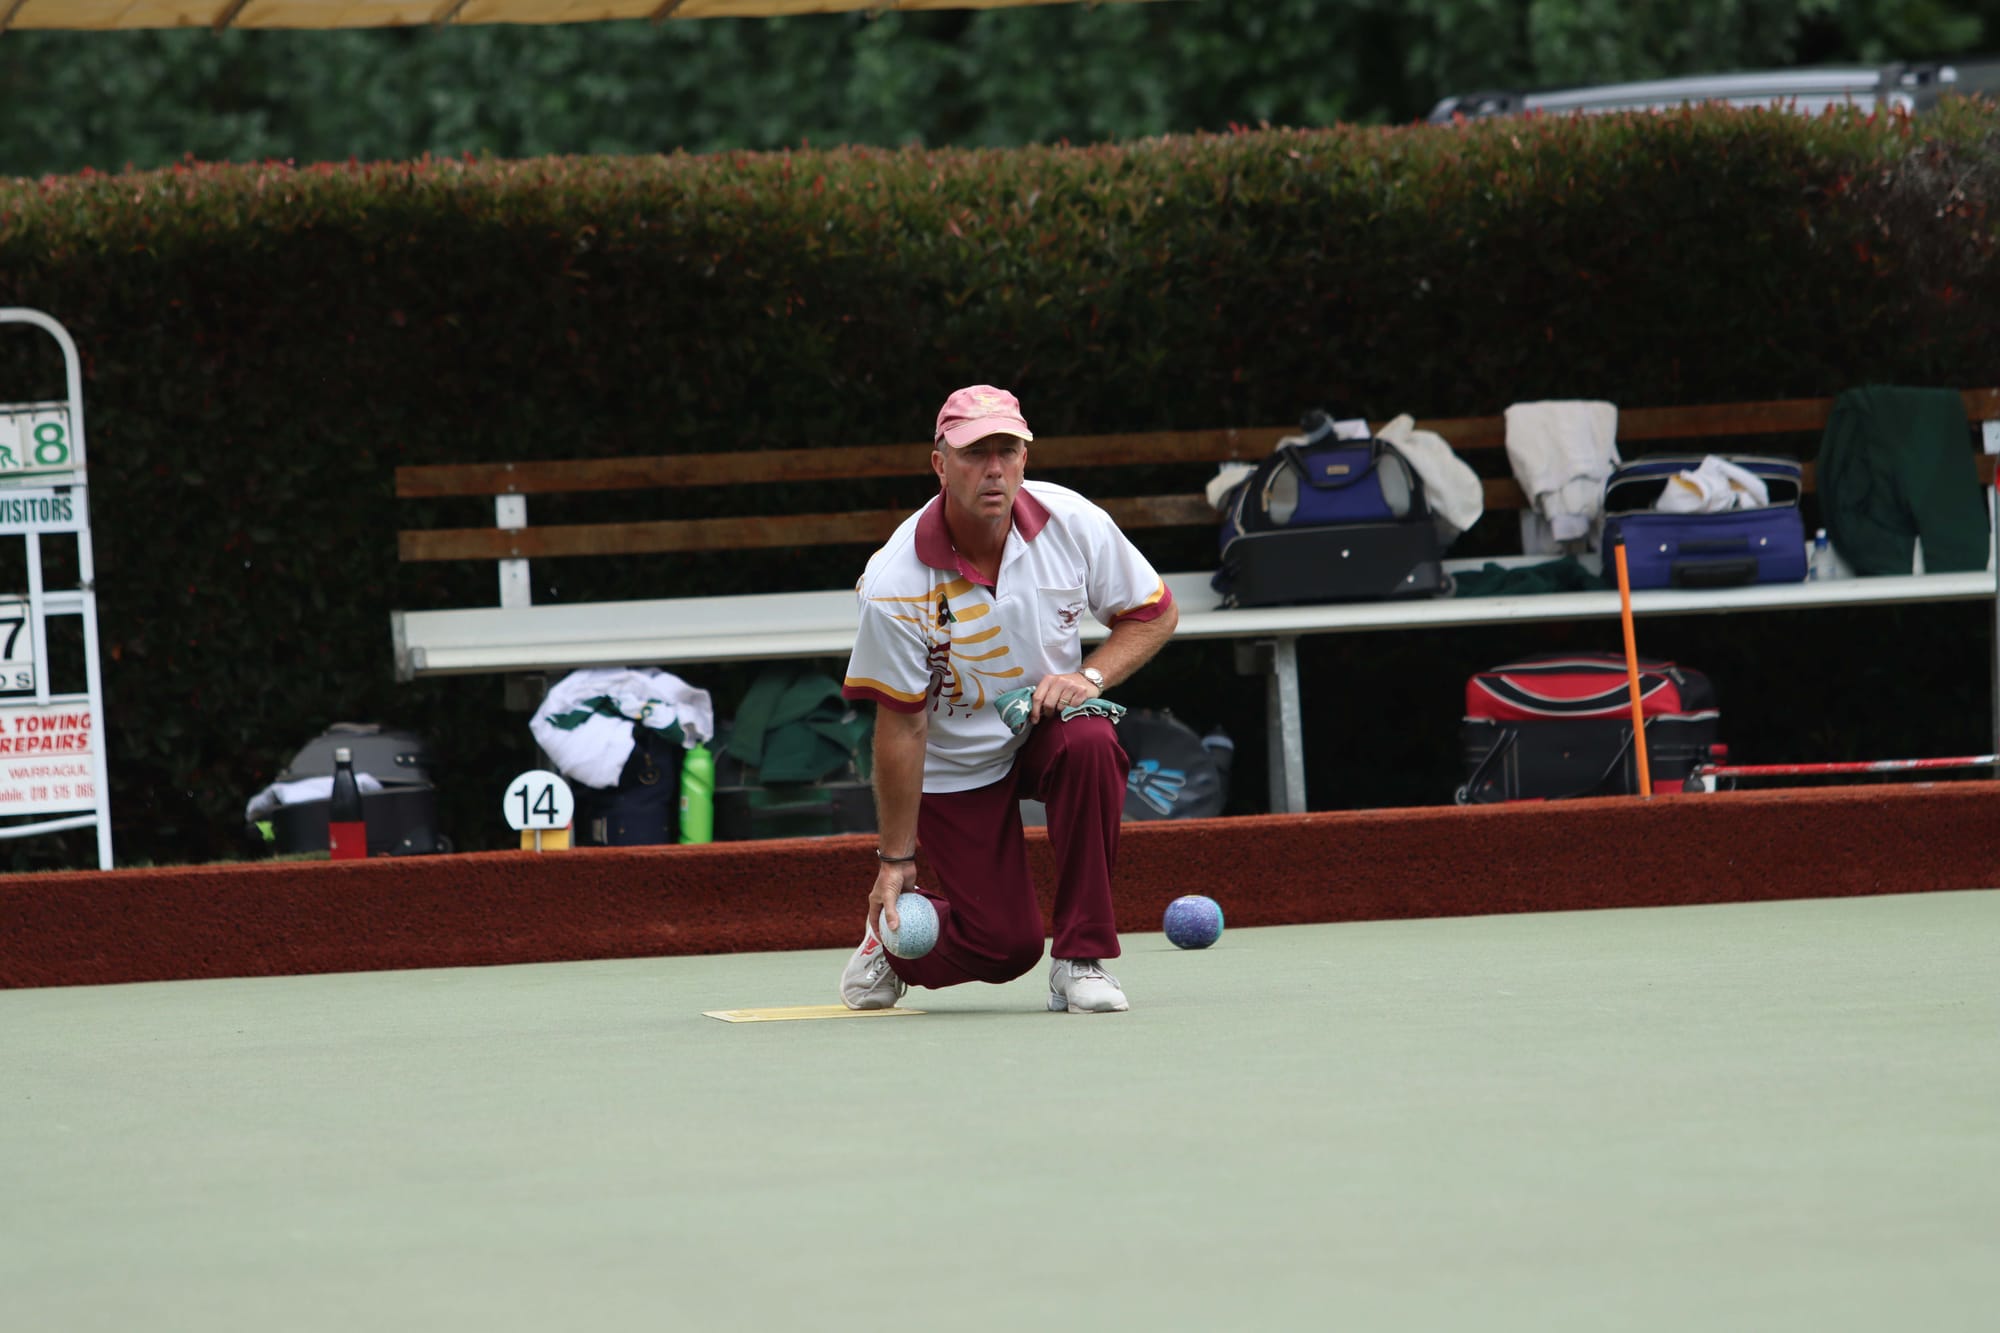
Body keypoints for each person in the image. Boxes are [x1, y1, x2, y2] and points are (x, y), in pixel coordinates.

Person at [838, 384, 1179, 1014]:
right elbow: (900, 730)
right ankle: (887, 949)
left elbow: (1153, 614)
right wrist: (896, 859)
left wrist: (1092, 678)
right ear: (940, 464)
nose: (993, 469)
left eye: (1007, 450)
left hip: (1041, 728)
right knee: (1005, 946)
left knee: (1092, 739)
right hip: (953, 765)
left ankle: (1081, 958)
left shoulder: (1074, 522)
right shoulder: (894, 581)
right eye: (974, 454)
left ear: (1026, 457)